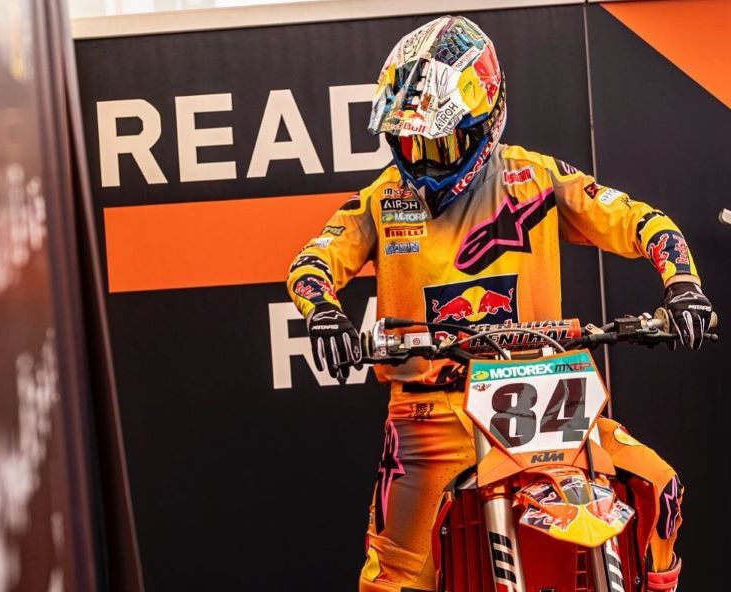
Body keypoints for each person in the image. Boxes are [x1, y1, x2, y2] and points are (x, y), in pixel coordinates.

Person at [286, 15, 712, 592]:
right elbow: (313, 261)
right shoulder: (382, 199)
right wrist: (323, 311)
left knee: (658, 489)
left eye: (441, 142)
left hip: (550, 396)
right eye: (410, 143)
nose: (425, 160)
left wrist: (683, 284)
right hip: (430, 415)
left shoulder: (536, 179)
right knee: (394, 578)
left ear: (485, 121)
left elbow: (641, 220)